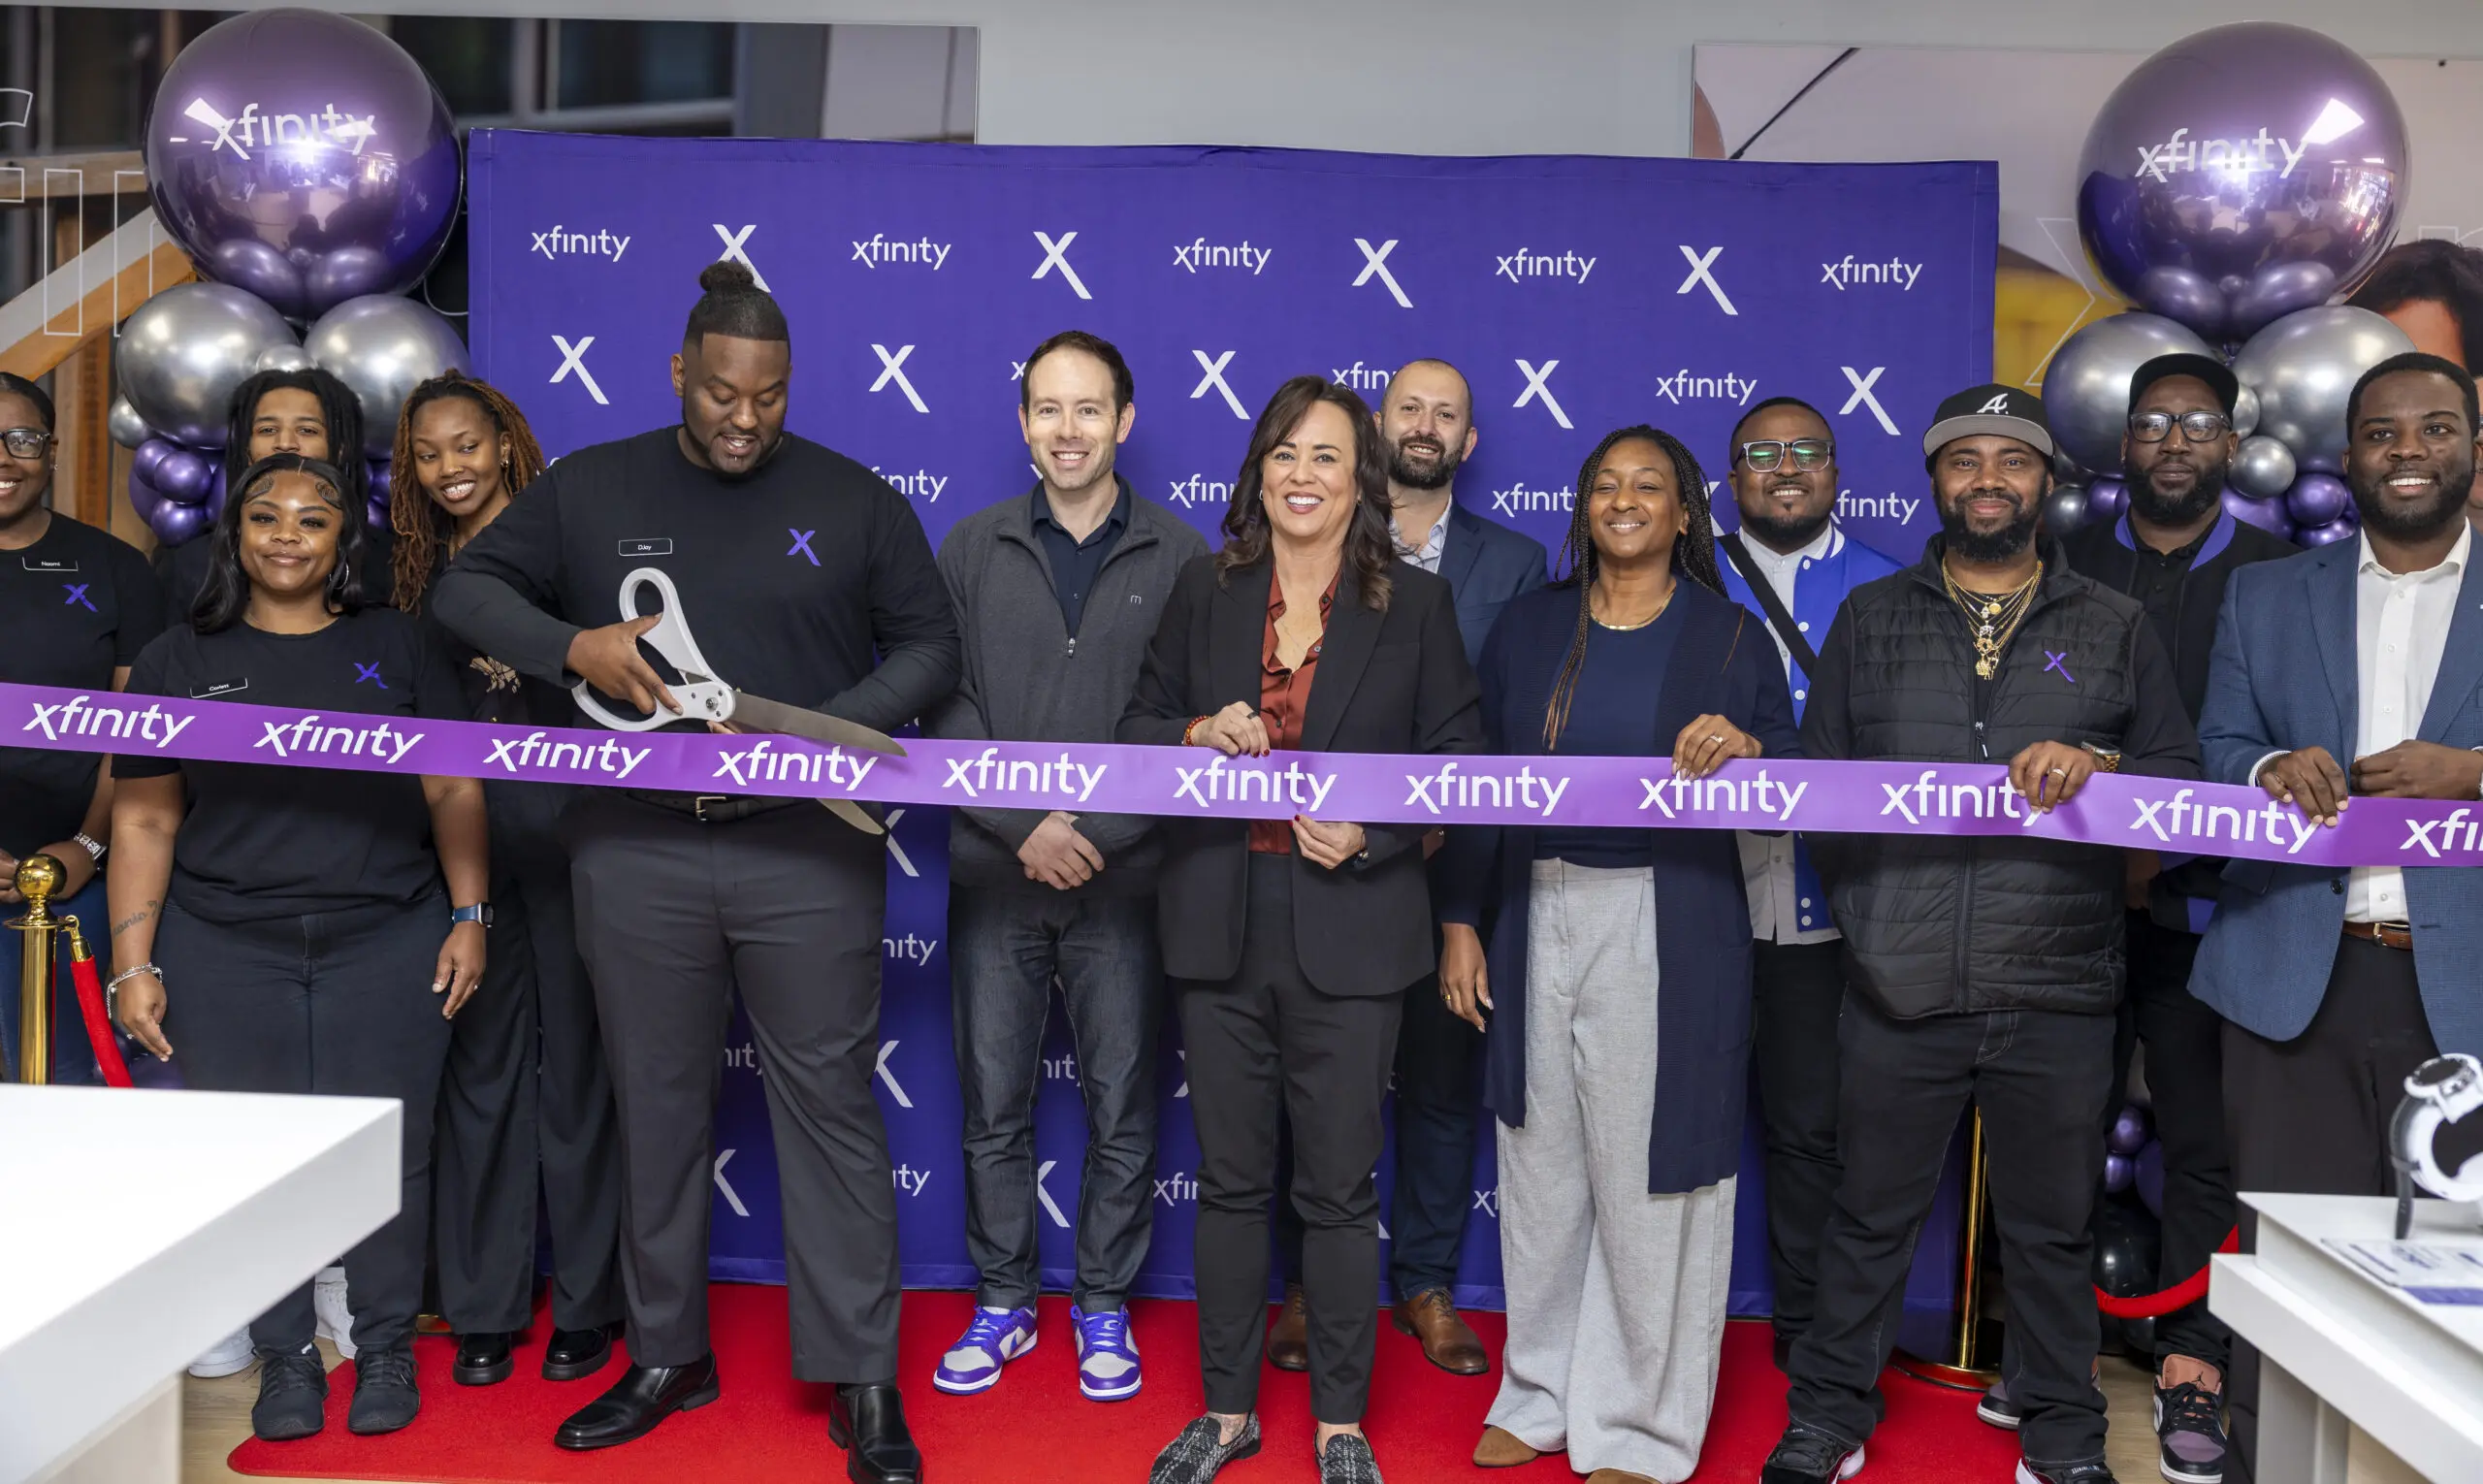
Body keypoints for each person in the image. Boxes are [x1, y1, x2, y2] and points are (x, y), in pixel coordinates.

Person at [432, 261, 957, 1481]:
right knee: (653, 1102)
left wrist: (816, 732)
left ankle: (862, 1377)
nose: (744, 417)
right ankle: (668, 1353)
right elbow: (464, 589)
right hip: (636, 847)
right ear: (679, 373)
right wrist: (571, 647)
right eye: (723, 392)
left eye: (767, 397)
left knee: (829, 1111)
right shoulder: (592, 484)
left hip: (807, 852)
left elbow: (931, 643)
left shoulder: (857, 497)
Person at [1762, 385, 2200, 1484]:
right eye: (1966, 462)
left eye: (2012, 461)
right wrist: (1875, 917)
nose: (1988, 480)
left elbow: (2181, 782)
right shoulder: (1871, 620)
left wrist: (2102, 770)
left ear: (2047, 483)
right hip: (1896, 986)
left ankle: (2062, 1435)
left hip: (2057, 989)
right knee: (1867, 1219)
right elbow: (1821, 793)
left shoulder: (2112, 623)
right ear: (1935, 482)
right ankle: (1827, 1417)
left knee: (2049, 1234)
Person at [1120, 375, 1482, 1484]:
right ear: (1257, 472)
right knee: (1231, 1184)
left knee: (1335, 1189)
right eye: (1283, 454)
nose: (1301, 475)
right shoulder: (1206, 586)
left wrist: (1372, 835)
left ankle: (1338, 1423)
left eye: (1325, 456)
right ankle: (1226, 1413)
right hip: (1220, 921)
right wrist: (1194, 729)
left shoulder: (1413, 608)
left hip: (1355, 928)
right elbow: (1135, 723)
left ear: (1359, 475)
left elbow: (1457, 767)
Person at [1438, 426, 1798, 1484]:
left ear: (1686, 512)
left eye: (1650, 486)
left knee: (1653, 1172)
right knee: (1540, 1164)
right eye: (1606, 485)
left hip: (1664, 913)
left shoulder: (1730, 637)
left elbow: (1790, 777)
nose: (1626, 500)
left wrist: (1745, 746)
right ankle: (1542, 1391)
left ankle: (1638, 1425)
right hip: (1527, 902)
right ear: (1584, 507)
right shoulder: (1524, 627)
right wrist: (1461, 918)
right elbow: (1478, 787)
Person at [107, 453, 490, 1441]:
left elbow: (453, 786)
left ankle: (384, 1345)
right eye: (265, 516)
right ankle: (284, 1361)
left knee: (388, 1155)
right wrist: (133, 961)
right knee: (256, 1163)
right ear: (235, 534)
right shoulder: (175, 662)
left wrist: (469, 915)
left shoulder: (398, 646)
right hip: (226, 944)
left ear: (339, 542)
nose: (286, 534)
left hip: (387, 934)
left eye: (312, 520)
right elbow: (146, 821)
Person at [2190, 351, 2483, 1484]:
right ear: (2347, 456)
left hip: (2461, 986)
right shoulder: (2266, 594)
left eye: (2434, 428)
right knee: (2293, 1273)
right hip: (2289, 976)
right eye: (2380, 432)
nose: (2407, 450)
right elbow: (2214, 751)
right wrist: (2265, 765)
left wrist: (2471, 770)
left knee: (2457, 1273)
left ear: (2471, 450)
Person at [923, 330, 1205, 1403]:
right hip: (996, 871)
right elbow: (942, 703)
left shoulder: (1180, 556)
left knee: (1123, 1103)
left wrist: (1096, 832)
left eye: (1089, 410)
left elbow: (1181, 721)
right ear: (1022, 422)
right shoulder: (971, 545)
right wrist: (1021, 824)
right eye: (1049, 409)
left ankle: (1101, 1307)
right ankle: (1003, 1303)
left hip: (1126, 877)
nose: (1068, 430)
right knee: (991, 1102)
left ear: (1124, 422)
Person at [1268, 356, 1547, 1377]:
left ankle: (1423, 1281)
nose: (1425, 426)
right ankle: (1306, 1287)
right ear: (1376, 428)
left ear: (1469, 445)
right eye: (1408, 408)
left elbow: (1497, 739)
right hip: (1316, 863)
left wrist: (1461, 904)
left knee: (1437, 1083)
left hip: (1446, 869)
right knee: (1315, 1093)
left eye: (1447, 414)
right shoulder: (1311, 546)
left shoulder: (1514, 565)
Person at [2052, 354, 2296, 1484]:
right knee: (2055, 1131)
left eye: (2196, 423)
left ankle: (2196, 1366)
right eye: (2152, 422)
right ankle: (2043, 1365)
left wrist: (2171, 853)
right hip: (2063, 911)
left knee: (2205, 1145)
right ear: (2123, 444)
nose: (2173, 442)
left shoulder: (2280, 575)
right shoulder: (2061, 565)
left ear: (2230, 443)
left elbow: (2280, 753)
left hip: (2212, 915)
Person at [388, 371, 626, 1392]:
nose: (451, 468)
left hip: (573, 843)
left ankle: (587, 1305)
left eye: (466, 446)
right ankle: (482, 1305)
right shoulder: (403, 579)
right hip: (461, 858)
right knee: (480, 1077)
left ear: (507, 443)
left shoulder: (563, 552)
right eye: (429, 453)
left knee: (578, 1075)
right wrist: (464, 900)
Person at [1711, 395, 1902, 1371]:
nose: (1785, 468)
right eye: (1762, 453)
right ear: (1731, 473)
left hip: (1826, 915)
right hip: (1692, 902)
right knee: (1668, 1133)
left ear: (1835, 471)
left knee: (1807, 1136)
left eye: (1807, 453)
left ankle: (1806, 1345)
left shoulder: (1893, 589)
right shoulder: (1680, 573)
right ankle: (1660, 1347)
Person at [0, 372, 162, 1086]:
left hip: (77, 877)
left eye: (23, 438)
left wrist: (89, 847)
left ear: (53, 449)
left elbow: (132, 737)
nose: (4, 457)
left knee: (66, 1090)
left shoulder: (118, 569)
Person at [153, 367, 384, 617]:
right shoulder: (192, 562)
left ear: (340, 448)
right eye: (267, 430)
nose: (285, 444)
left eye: (307, 430)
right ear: (246, 449)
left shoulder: (386, 562)